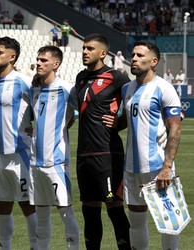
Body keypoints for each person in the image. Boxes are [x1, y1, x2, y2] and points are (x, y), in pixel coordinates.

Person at [114, 41, 182, 250]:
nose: (134, 58)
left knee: (168, 222)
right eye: (133, 55)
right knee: (136, 221)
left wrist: (167, 168)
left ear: (154, 61)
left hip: (157, 167)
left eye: (140, 55)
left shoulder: (164, 88)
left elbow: (175, 129)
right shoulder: (127, 88)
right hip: (132, 167)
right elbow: (126, 120)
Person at [73, 34, 131, 250]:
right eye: (83, 48)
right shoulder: (80, 78)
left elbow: (134, 103)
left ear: (103, 53)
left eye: (90, 48)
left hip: (107, 154)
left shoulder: (116, 77)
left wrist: (119, 121)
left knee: (114, 208)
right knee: (89, 210)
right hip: (83, 155)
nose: (85, 52)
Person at [0, 37, 37, 249]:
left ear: (12, 57)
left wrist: (38, 129)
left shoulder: (24, 82)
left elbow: (47, 108)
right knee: (2, 206)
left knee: (28, 205)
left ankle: (36, 245)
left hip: (21, 154)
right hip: (0, 156)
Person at [28, 46, 79, 249]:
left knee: (66, 212)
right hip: (35, 162)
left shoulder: (67, 89)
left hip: (56, 162)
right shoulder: (34, 89)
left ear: (55, 64)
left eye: (43, 60)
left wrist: (64, 124)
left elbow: (82, 111)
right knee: (41, 215)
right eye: (38, 59)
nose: (38, 63)